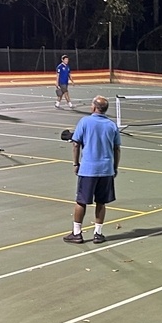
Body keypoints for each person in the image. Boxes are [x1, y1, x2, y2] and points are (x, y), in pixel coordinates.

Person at [64, 96, 121, 244]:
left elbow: (76, 144)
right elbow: (117, 149)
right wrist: (114, 167)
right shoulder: (112, 125)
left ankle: (77, 233)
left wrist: (76, 164)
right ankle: (98, 233)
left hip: (88, 169)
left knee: (81, 201)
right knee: (101, 202)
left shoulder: (84, 122)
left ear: (94, 107)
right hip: (106, 170)